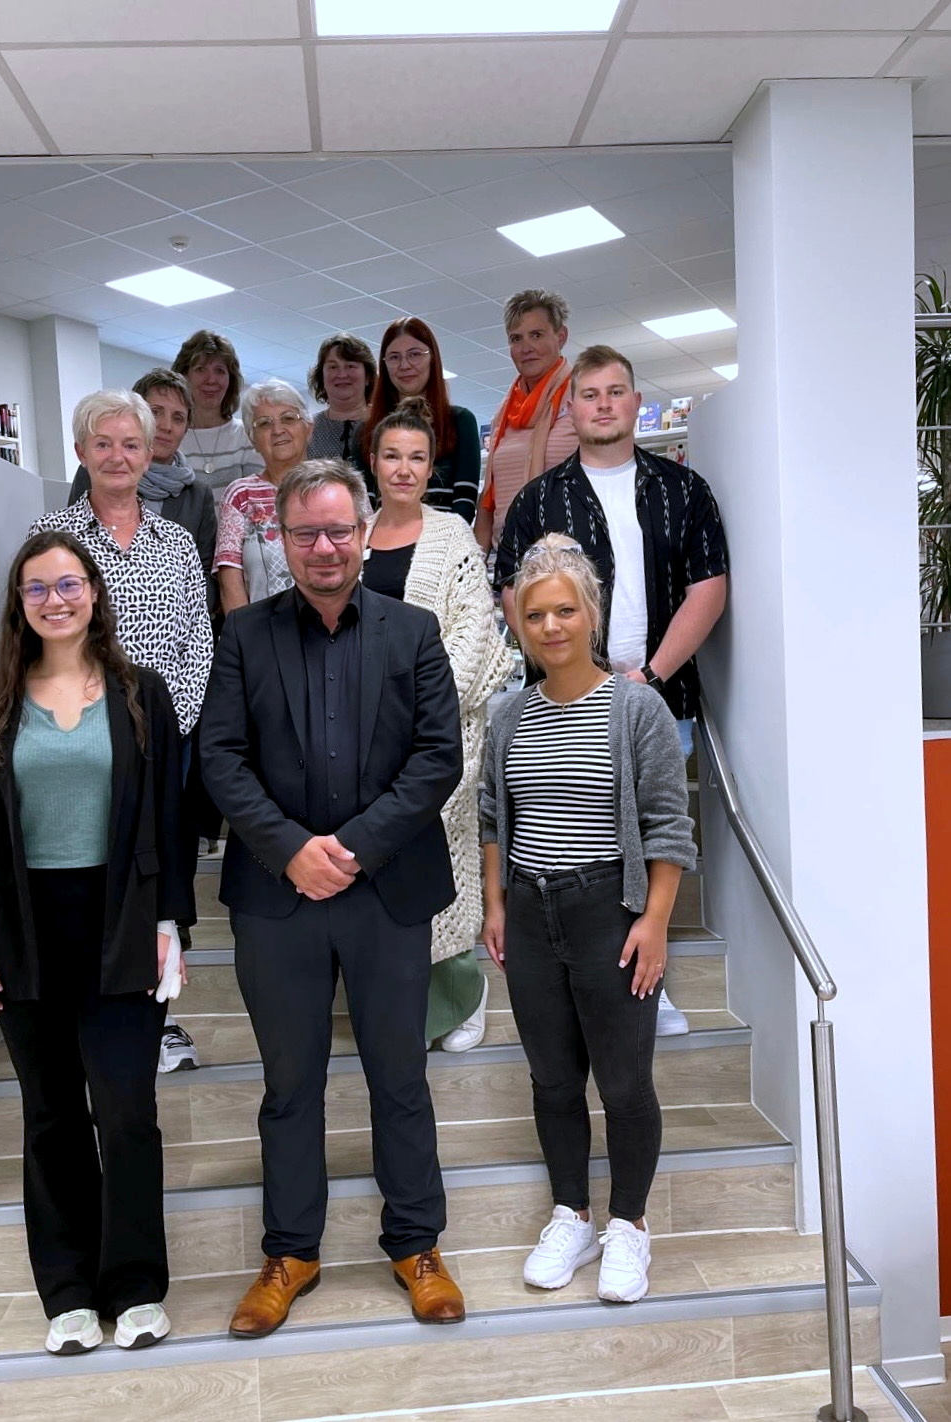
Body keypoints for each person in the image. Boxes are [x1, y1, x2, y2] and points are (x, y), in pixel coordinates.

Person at [200, 458, 466, 1338]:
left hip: (385, 888)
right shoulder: (244, 637)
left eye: (338, 530)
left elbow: (437, 757)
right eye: (305, 532)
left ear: (362, 533)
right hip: (280, 899)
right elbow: (220, 759)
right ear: (278, 539)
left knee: (401, 1077)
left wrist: (348, 848)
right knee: (289, 1085)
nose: (324, 547)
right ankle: (291, 1253)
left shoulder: (414, 630)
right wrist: (290, 852)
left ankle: (416, 1244)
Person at [0, 530, 194, 1356]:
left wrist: (169, 923)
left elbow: (170, 818)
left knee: (125, 1112)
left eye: (69, 585)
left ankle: (135, 1286)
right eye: (37, 588)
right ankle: (70, 1292)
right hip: (21, 925)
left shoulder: (140, 692)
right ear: (20, 603)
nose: (55, 600)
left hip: (121, 917)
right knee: (50, 1115)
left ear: (94, 593)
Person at [480, 535, 695, 1305]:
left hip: (609, 910)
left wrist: (655, 922)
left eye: (564, 610)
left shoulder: (635, 706)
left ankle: (628, 1227)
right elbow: (492, 819)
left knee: (625, 1084)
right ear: (519, 624)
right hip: (531, 917)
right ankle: (570, 1213)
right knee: (550, 1080)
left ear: (591, 613)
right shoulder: (508, 716)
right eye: (535, 614)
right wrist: (496, 906)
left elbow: (668, 824)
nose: (550, 626)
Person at [495, 345, 729, 1037]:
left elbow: (707, 587)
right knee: (580, 852)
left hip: (659, 696)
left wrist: (650, 675)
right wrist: (573, 672)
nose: (601, 403)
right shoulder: (541, 497)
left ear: (633, 401)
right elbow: (512, 591)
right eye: (588, 393)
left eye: (615, 391)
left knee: (652, 838)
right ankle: (584, 986)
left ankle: (646, 984)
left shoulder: (682, 490)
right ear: (570, 410)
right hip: (565, 698)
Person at [30, 389, 213, 1072]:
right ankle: (87, 1013)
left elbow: (199, 639)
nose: (117, 456)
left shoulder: (177, 542)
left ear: (149, 453)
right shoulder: (51, 538)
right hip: (78, 740)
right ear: (81, 452)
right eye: (102, 443)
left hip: (166, 742)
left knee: (162, 873)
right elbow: (35, 632)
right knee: (95, 876)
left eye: (130, 443)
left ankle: (157, 1015)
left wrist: (171, 723)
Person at [363, 398, 510, 1050]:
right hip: (360, 743)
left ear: (431, 468)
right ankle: (398, 1010)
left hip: (434, 736)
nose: (402, 468)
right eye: (391, 455)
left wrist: (412, 714)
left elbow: (473, 638)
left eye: (415, 457)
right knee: (377, 872)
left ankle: (459, 998)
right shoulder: (355, 534)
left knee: (440, 867)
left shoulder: (450, 536)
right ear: (372, 462)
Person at [68, 369, 217, 611]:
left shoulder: (198, 496)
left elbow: (206, 578)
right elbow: (74, 551)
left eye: (178, 418)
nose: (166, 426)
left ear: (187, 428)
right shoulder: (96, 474)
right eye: (155, 412)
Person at [474, 290, 579, 554]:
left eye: (537, 335)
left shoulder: (582, 396)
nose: (526, 347)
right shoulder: (504, 412)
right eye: (516, 338)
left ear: (561, 336)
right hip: (511, 558)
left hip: (573, 557)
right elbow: (489, 500)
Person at [360, 317, 481, 524]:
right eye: (394, 357)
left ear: (432, 358)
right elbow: (365, 508)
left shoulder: (461, 421)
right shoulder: (366, 431)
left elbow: (464, 503)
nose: (404, 365)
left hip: (445, 546)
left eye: (414, 354)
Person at [214, 379, 312, 613]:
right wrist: (246, 642)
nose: (278, 430)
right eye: (265, 423)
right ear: (253, 440)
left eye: (288, 418)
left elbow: (361, 562)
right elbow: (230, 580)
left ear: (308, 428)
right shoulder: (240, 495)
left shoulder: (339, 486)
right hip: (264, 637)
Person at [173, 329, 264, 508]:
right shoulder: (172, 438)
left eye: (220, 371)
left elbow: (256, 504)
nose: (211, 379)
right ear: (184, 376)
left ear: (230, 379)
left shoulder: (247, 435)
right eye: (200, 369)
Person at [306, 332, 377, 466]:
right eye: (333, 367)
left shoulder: (386, 424)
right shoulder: (306, 430)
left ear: (367, 377)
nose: (342, 374)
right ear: (321, 377)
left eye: (350, 366)